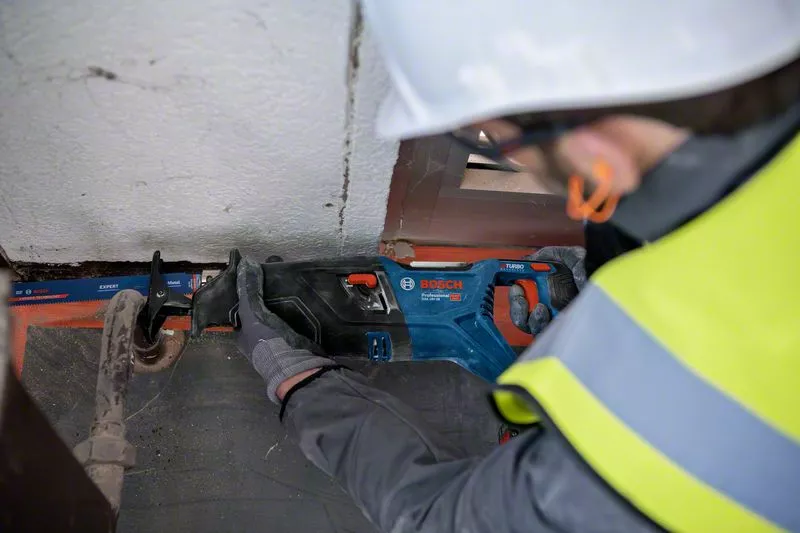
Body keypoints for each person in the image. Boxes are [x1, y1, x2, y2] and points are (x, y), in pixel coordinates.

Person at [235, 2, 800, 531]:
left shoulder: (655, 438)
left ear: (601, 153)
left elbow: (434, 516)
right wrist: (603, 277)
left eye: (493, 142)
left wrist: (297, 379)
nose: (496, 151)